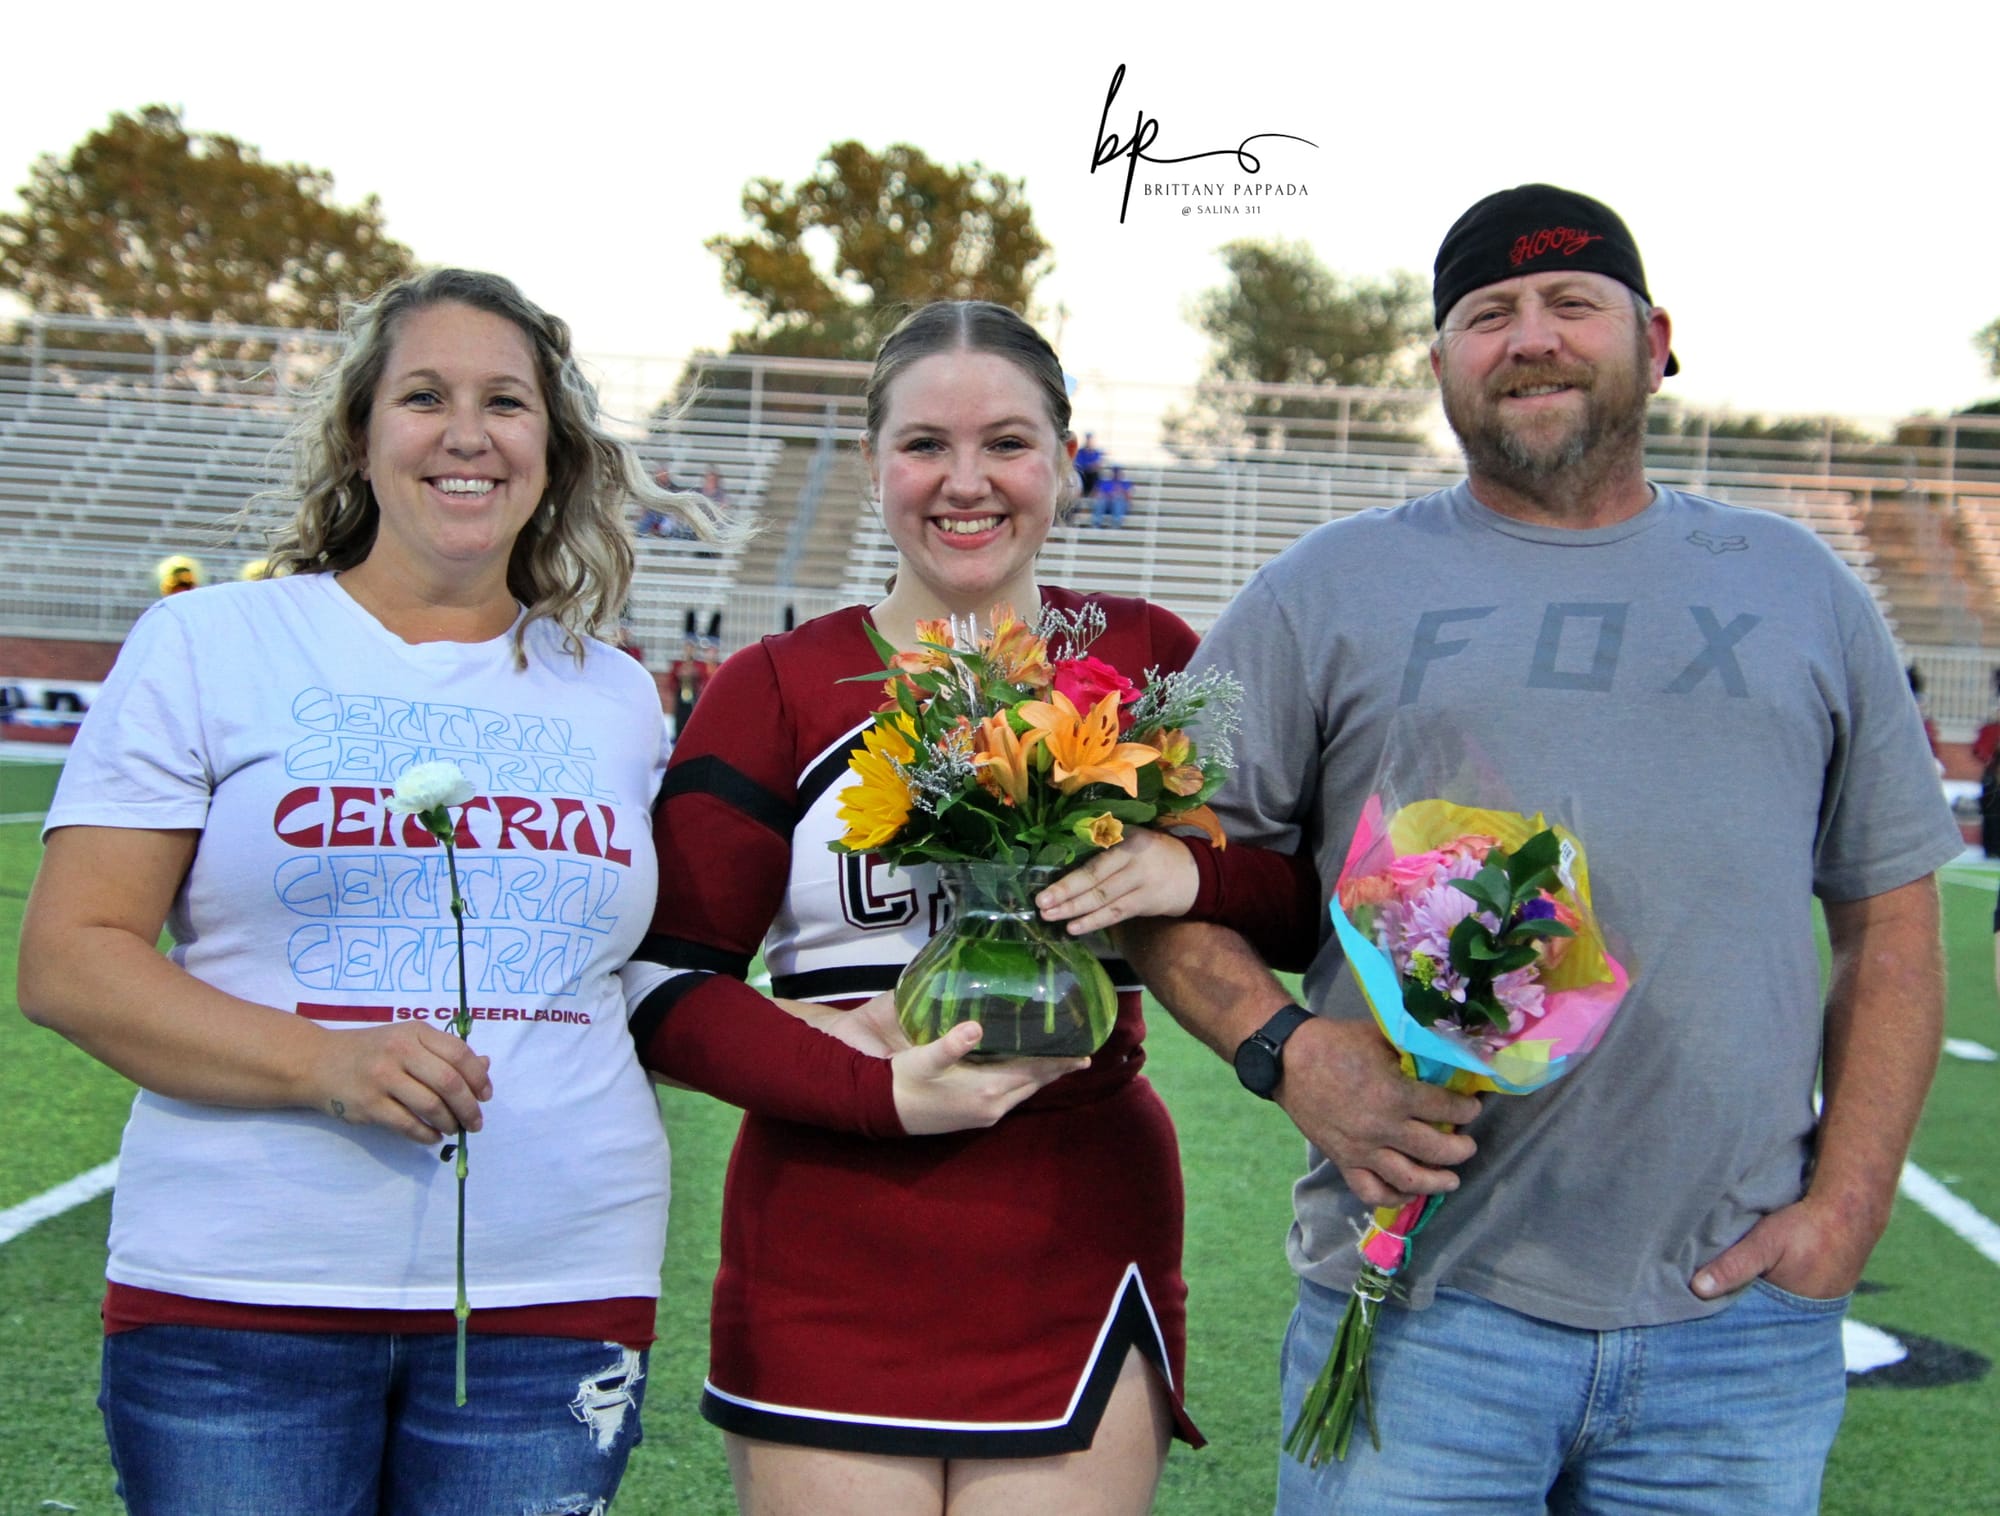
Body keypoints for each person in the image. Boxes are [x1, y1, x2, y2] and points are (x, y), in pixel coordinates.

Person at [1123, 184, 1961, 1513]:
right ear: (1438, 364)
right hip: (1418, 1309)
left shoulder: (1799, 585)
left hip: (1733, 1333)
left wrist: (1847, 1210)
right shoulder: (1319, 589)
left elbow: (1891, 924)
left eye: (1572, 302)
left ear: (1654, 339)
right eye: (1488, 313)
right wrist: (1283, 1049)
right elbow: (1149, 868)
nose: (1530, 337)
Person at [16, 267, 727, 1513]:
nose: (467, 433)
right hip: (241, 1291)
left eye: (505, 402)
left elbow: (643, 974)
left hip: (555, 1290)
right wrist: (323, 1063)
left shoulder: (614, 692)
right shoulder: (209, 643)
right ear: (359, 434)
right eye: (424, 397)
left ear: (552, 448)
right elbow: (72, 957)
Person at [622, 300, 1284, 1516]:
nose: (964, 482)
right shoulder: (775, 684)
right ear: (873, 461)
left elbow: (1295, 906)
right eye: (924, 443)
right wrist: (873, 1087)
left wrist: (1192, 873)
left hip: (1076, 1220)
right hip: (829, 1230)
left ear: (1063, 462)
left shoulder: (1143, 653)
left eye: (1006, 443)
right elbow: (666, 989)